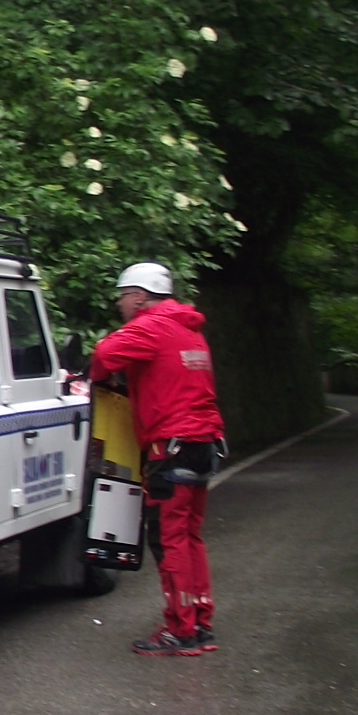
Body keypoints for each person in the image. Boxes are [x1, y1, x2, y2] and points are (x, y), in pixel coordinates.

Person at [91, 262, 225, 656]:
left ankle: (181, 631)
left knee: (169, 540)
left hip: (171, 447)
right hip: (204, 443)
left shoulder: (150, 325)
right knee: (190, 537)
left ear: (139, 297)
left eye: (122, 297)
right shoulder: (190, 329)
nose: (120, 305)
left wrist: (100, 377)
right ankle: (200, 623)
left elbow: (105, 354)